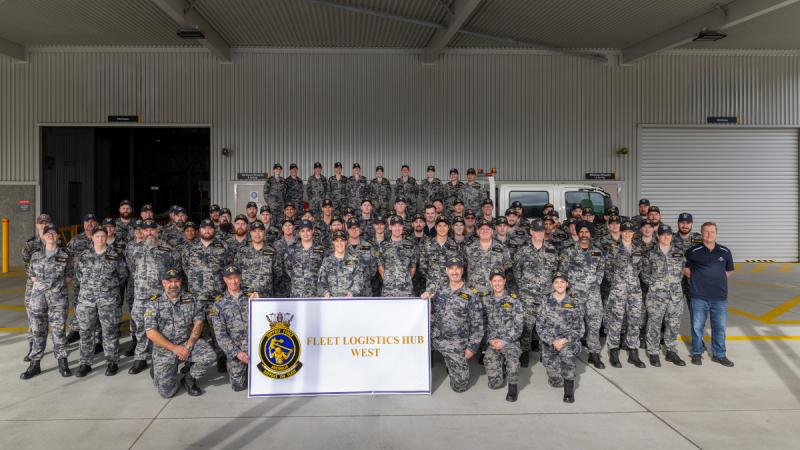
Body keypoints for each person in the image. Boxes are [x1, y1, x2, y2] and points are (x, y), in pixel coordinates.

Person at [145, 268, 216, 398]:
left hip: (187, 343)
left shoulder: (192, 299)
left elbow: (199, 323)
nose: (173, 285)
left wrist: (188, 346)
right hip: (165, 348)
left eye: (176, 281)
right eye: (169, 281)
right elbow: (150, 333)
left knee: (209, 355)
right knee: (167, 393)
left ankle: (189, 378)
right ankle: (158, 368)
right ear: (163, 282)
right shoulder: (154, 303)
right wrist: (175, 348)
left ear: (181, 282)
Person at [421, 256, 483, 393]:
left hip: (457, 342)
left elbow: (478, 324)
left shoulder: (471, 293)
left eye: (458, 269)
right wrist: (424, 299)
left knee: (459, 386)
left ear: (462, 271)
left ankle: (452, 362)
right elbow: (426, 309)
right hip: (437, 338)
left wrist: (472, 348)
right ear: (446, 270)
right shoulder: (439, 290)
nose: (454, 272)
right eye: (451, 269)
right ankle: (448, 360)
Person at [74, 227, 128, 377]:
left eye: (103, 236)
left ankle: (112, 361)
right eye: (97, 236)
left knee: (109, 330)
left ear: (107, 237)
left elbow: (123, 275)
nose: (100, 239)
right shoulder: (83, 256)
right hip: (87, 300)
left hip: (108, 300)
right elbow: (78, 276)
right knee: (86, 331)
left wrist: (108, 287)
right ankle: (85, 362)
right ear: (92, 238)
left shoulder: (115, 255)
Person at [21, 224, 73, 379]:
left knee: (58, 331)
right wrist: (45, 285)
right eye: (47, 233)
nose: (50, 235)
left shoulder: (65, 256)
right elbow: (32, 276)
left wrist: (52, 286)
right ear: (42, 237)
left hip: (58, 300)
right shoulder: (35, 255)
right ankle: (35, 364)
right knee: (37, 332)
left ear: (57, 236)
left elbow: (69, 277)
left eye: (53, 233)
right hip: (38, 300)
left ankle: (62, 363)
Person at [127, 219, 179, 375]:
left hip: (160, 297)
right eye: (146, 230)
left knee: (162, 327)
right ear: (141, 232)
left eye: (152, 229)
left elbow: (176, 272)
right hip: (141, 296)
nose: (149, 232)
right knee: (140, 326)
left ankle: (160, 357)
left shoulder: (167, 249)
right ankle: (141, 358)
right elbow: (131, 269)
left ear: (157, 230)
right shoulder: (133, 249)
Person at [685, 222, 735, 367]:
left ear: (716, 233)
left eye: (712, 232)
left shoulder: (725, 251)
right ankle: (696, 353)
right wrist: (697, 279)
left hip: (719, 297)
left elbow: (729, 270)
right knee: (697, 327)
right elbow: (686, 269)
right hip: (698, 296)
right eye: (706, 232)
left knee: (719, 327)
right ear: (701, 234)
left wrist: (716, 278)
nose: (709, 234)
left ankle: (719, 355)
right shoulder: (693, 251)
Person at [558, 221, 606, 369]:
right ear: (578, 234)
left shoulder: (598, 251)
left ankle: (594, 353)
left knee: (594, 324)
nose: (584, 234)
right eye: (582, 232)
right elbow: (562, 271)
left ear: (591, 234)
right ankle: (571, 352)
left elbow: (601, 270)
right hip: (574, 295)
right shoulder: (569, 251)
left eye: (587, 232)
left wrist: (594, 284)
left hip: (593, 295)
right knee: (573, 325)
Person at [511, 219, 558, 367]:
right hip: (527, 295)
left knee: (546, 325)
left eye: (542, 231)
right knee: (527, 326)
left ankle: (545, 353)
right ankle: (524, 352)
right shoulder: (523, 251)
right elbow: (516, 270)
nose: (539, 233)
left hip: (546, 295)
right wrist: (524, 286)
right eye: (536, 231)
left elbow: (556, 271)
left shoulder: (551, 250)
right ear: (531, 232)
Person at [642, 225, 687, 367]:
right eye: (662, 235)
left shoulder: (679, 253)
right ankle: (653, 352)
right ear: (658, 236)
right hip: (656, 296)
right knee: (654, 324)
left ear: (672, 236)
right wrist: (656, 285)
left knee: (673, 324)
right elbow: (644, 273)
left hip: (675, 296)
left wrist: (673, 285)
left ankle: (671, 351)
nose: (666, 237)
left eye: (668, 234)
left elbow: (681, 273)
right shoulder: (650, 254)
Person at [537, 272, 584, 403]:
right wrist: (552, 341)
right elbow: (540, 326)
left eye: (562, 282)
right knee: (555, 381)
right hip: (550, 343)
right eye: (556, 282)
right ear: (552, 284)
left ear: (567, 284)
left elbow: (580, 328)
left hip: (568, 342)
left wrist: (565, 339)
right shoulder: (546, 301)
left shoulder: (574, 302)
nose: (559, 285)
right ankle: (557, 371)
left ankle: (568, 392)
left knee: (567, 355)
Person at [604, 220, 646, 368]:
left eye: (630, 232)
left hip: (634, 290)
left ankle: (633, 351)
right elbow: (608, 269)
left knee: (635, 320)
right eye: (625, 231)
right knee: (616, 321)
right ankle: (613, 350)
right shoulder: (613, 249)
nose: (627, 234)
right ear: (621, 232)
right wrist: (617, 282)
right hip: (618, 290)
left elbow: (640, 268)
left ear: (634, 233)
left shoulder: (638, 249)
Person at [210, 266, 254, 392]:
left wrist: (260, 302)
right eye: (230, 278)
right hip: (237, 353)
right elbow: (220, 335)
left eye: (235, 278)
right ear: (224, 280)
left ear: (240, 278)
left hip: (256, 348)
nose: (233, 281)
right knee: (239, 386)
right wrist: (237, 353)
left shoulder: (251, 298)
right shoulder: (219, 304)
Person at [481, 269, 523, 402]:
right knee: (494, 384)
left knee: (513, 361)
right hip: (493, 341)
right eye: (494, 281)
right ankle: (500, 371)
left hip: (510, 340)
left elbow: (519, 324)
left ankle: (513, 388)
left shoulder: (513, 299)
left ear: (504, 281)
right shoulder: (485, 299)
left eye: (500, 280)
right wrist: (490, 340)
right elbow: (482, 323)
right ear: (490, 282)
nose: (497, 283)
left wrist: (505, 341)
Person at [234, 221, 280, 297]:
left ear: (264, 232)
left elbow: (278, 274)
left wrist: (267, 288)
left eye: (260, 231)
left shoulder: (272, 251)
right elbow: (236, 272)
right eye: (254, 231)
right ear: (250, 233)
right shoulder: (242, 251)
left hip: (266, 297)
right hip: (245, 297)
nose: (257, 234)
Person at [377, 216, 418, 297]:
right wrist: (388, 279)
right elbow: (380, 267)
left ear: (403, 227)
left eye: (399, 225)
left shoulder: (410, 245)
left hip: (406, 289)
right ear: (390, 227)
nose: (397, 228)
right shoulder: (383, 245)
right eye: (394, 225)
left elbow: (413, 267)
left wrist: (406, 279)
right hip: (388, 290)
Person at [284, 220, 326, 298]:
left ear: (312, 231)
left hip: (315, 293)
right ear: (299, 233)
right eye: (303, 231)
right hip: (297, 293)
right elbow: (288, 268)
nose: (305, 234)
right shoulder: (291, 249)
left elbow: (324, 270)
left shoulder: (321, 250)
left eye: (308, 231)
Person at [318, 231, 364, 297]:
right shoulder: (327, 261)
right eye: (336, 241)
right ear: (333, 242)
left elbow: (359, 281)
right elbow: (321, 281)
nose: (339, 243)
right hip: (331, 301)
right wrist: (325, 293)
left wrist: (352, 292)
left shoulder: (354, 260)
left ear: (346, 242)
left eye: (342, 240)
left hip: (349, 301)